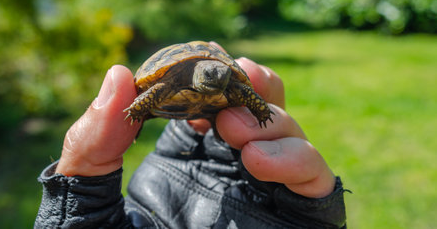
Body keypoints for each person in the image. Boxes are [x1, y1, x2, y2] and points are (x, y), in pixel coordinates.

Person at [35, 50, 347, 228]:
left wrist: (259, 110)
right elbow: (153, 90)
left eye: (223, 76)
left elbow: (243, 90)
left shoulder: (225, 80)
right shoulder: (173, 75)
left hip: (221, 120)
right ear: (199, 75)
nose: (219, 79)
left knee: (246, 104)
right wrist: (138, 109)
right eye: (213, 76)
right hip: (172, 90)